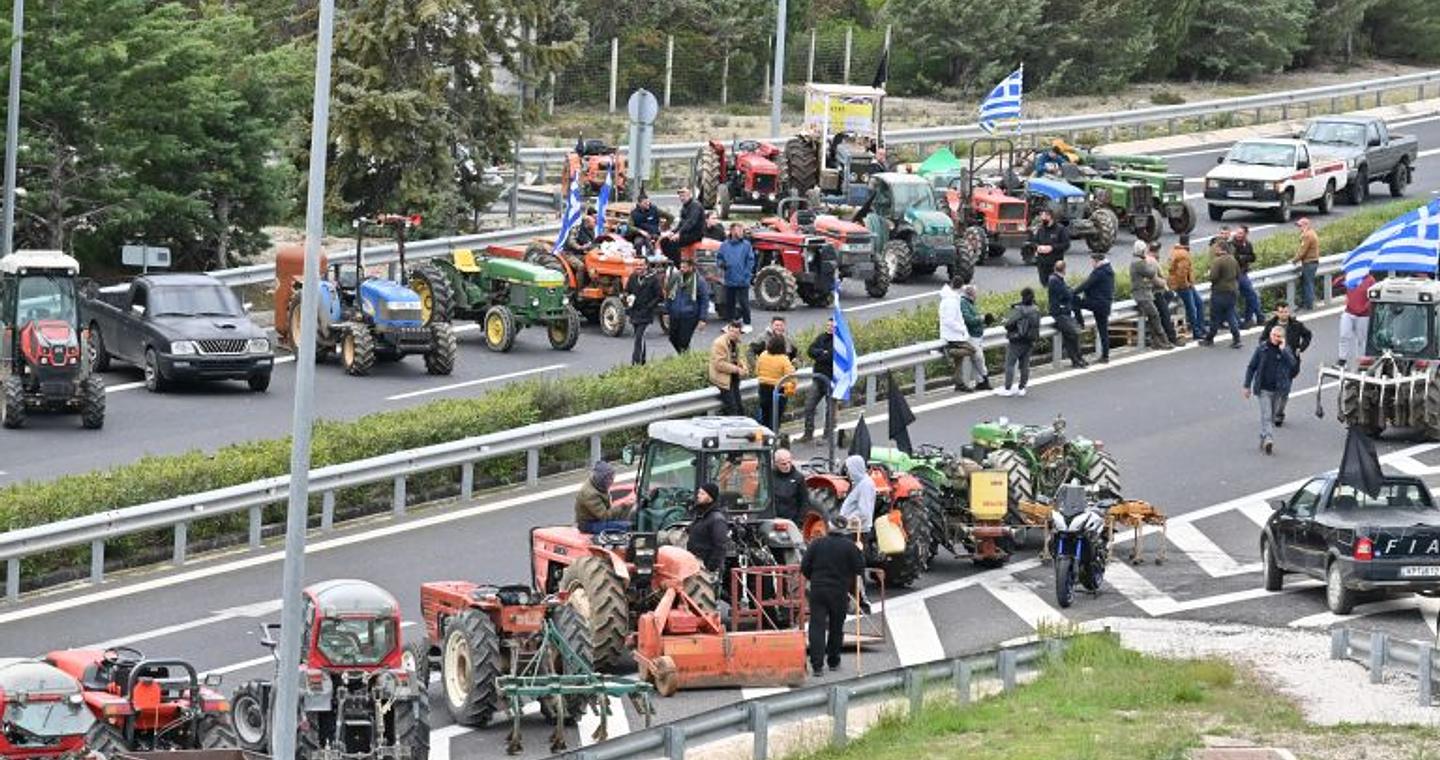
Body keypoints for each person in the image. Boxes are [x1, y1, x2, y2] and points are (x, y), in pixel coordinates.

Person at [800, 514, 866, 676]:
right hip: (839, 591)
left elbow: (805, 566)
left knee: (817, 626)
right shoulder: (850, 547)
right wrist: (858, 552)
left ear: (829, 527)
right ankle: (833, 661)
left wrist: (813, 578)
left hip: (818, 589)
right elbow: (859, 569)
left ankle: (817, 665)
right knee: (836, 626)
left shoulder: (816, 544)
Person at [1243, 326, 1297, 456]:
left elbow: (1293, 364)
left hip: (1277, 389)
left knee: (1271, 416)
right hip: (1263, 389)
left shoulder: (1285, 350)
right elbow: (1251, 367)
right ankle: (1268, 439)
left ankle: (1263, 435)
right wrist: (1247, 385)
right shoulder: (1262, 349)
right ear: (1270, 335)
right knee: (1266, 415)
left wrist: (1284, 350)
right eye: (1274, 335)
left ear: (1283, 338)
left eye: (1279, 336)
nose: (1275, 338)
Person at [1261, 303, 1312, 427]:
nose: (1284, 314)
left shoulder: (1296, 325)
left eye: (1286, 311)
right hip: (1273, 362)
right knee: (1273, 390)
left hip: (1290, 362)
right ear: (1277, 313)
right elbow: (1262, 339)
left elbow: (1308, 335)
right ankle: (1272, 411)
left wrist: (1301, 348)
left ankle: (1279, 414)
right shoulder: (1270, 325)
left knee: (1285, 390)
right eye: (1281, 312)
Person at [1129, 240, 1173, 351]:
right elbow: (1152, 272)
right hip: (1142, 295)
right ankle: (1163, 341)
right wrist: (1153, 261)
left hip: (1145, 294)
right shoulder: (1139, 263)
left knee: (1153, 316)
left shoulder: (1137, 261)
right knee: (1155, 316)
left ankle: (1157, 342)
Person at [999, 287, 1042, 397]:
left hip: (1017, 340)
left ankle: (1008, 388)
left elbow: (1008, 323)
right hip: (1029, 340)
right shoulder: (1036, 309)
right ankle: (1022, 388)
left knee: (1010, 364)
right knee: (1025, 365)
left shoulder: (1019, 310)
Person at [1073, 252, 1115, 363]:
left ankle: (1080, 322)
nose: (1091, 263)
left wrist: (1072, 292)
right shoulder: (1108, 269)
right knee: (1103, 331)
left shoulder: (1099, 272)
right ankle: (1105, 356)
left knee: (1075, 301)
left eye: (1092, 261)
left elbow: (1086, 284)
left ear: (1097, 261)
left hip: (1097, 303)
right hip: (1104, 305)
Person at [1202, 237, 1243, 349]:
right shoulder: (1233, 259)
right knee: (1230, 314)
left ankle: (1209, 338)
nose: (1214, 250)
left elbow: (1213, 277)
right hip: (1232, 291)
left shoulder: (1217, 261)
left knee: (1215, 316)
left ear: (1220, 248)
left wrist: (1208, 275)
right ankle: (1237, 338)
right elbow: (1239, 274)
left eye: (1216, 247)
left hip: (1219, 292)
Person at [665, 257, 710, 353]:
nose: (682, 269)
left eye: (685, 267)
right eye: (681, 267)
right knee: (672, 338)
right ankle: (685, 356)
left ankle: (685, 358)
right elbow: (668, 295)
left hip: (690, 315)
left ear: (691, 267)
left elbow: (704, 300)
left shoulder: (699, 281)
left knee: (684, 341)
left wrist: (703, 319)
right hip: (675, 314)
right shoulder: (675, 278)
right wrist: (666, 312)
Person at [1047, 260, 1087, 368]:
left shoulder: (1056, 279)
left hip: (1063, 313)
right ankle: (1077, 359)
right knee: (1074, 333)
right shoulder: (1055, 280)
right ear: (1064, 270)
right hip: (1059, 313)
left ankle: (1077, 359)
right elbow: (1067, 294)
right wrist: (1072, 291)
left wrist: (1070, 290)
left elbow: (1066, 291)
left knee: (1071, 336)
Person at [717, 223, 756, 330]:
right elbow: (719, 257)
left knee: (744, 302)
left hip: (743, 280)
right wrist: (721, 264)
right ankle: (731, 323)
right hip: (729, 279)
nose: (741, 233)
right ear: (732, 231)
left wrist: (747, 274)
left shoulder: (746, 245)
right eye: (739, 230)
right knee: (729, 303)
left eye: (742, 230)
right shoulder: (724, 245)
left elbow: (751, 261)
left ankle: (747, 324)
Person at [624, 260, 663, 365]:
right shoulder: (633, 277)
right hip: (635, 312)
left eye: (641, 265)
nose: (638, 267)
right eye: (636, 265)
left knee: (639, 337)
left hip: (646, 313)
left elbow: (659, 296)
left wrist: (649, 306)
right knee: (639, 337)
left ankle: (636, 362)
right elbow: (627, 290)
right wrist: (627, 297)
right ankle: (642, 361)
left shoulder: (653, 279)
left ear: (646, 266)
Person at [803, 319, 836, 442]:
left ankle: (828, 435)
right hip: (818, 378)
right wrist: (823, 352)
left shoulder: (839, 341)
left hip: (832, 380)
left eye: (832, 326)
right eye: (828, 325)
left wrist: (820, 354)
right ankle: (808, 433)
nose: (829, 328)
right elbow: (810, 350)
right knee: (808, 406)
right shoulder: (821, 337)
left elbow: (831, 357)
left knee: (830, 410)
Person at [1167, 234, 1206, 338]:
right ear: (1188, 242)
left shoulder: (1175, 251)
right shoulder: (1184, 254)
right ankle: (1197, 331)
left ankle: (1201, 328)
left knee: (1198, 304)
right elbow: (1182, 273)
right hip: (1183, 285)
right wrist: (1186, 285)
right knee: (1192, 308)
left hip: (1181, 284)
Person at [687, 483, 729, 575]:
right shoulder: (700, 516)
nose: (698, 496)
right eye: (698, 493)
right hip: (696, 565)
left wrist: (710, 568)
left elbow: (720, 546)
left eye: (702, 494)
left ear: (710, 497)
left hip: (706, 569)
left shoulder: (717, 519)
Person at [756, 335, 798, 429]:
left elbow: (757, 370)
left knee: (765, 415)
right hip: (778, 389)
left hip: (763, 388)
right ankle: (773, 438)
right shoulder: (783, 358)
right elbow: (791, 376)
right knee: (775, 417)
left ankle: (764, 438)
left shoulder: (763, 355)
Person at [709, 320, 749, 416]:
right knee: (733, 410)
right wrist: (737, 369)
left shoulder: (736, 342)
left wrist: (744, 367)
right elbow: (719, 364)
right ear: (727, 330)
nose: (733, 334)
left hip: (733, 379)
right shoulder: (719, 343)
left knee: (740, 409)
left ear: (740, 333)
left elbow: (739, 358)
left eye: (736, 332)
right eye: (731, 331)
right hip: (723, 381)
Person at [574, 461, 628, 532]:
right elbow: (604, 516)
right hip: (588, 524)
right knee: (627, 526)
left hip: (596, 518)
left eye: (612, 477)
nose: (612, 481)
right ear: (603, 479)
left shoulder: (598, 484)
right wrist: (623, 506)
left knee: (625, 518)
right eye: (610, 478)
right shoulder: (590, 494)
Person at [1338, 272, 1376, 368]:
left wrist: (1364, 308)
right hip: (1349, 312)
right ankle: (1342, 360)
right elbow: (1336, 284)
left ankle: (1362, 361)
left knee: (1361, 339)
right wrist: (1344, 277)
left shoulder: (1370, 280)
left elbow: (1372, 297)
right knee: (1344, 335)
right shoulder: (1351, 276)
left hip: (1363, 315)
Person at [661, 187, 705, 265]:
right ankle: (672, 262)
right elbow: (681, 223)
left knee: (673, 243)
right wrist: (672, 232)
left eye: (684, 196)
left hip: (695, 233)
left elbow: (691, 222)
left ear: (689, 195)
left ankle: (679, 265)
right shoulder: (684, 207)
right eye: (680, 196)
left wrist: (679, 233)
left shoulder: (695, 206)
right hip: (685, 233)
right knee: (664, 241)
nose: (682, 198)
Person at [1026, 208, 1070, 285]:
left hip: (1055, 263)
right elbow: (1034, 241)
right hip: (1042, 263)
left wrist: (1052, 247)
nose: (1042, 219)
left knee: (1055, 284)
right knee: (1044, 283)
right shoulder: (1040, 229)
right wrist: (1037, 247)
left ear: (1050, 217)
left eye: (1044, 217)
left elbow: (1066, 244)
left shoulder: (1060, 229)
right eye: (1041, 217)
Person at [1232, 225, 1263, 328]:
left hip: (1244, 273)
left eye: (1241, 233)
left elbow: (1253, 257)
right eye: (1237, 232)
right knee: (1250, 296)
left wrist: (1243, 258)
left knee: (1252, 297)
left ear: (1245, 234)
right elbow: (1235, 259)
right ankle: (1251, 319)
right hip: (1236, 275)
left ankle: (1250, 318)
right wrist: (1244, 258)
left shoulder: (1248, 243)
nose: (1238, 235)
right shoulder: (1232, 244)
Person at [771, 448, 810, 524]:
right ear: (776, 463)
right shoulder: (769, 477)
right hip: (773, 520)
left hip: (792, 520)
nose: (787, 466)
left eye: (789, 462)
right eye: (783, 464)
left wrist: (799, 521)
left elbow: (805, 501)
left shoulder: (798, 478)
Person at [838, 454, 875, 531]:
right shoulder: (860, 482)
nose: (847, 472)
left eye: (848, 469)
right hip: (854, 528)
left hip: (857, 530)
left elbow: (864, 513)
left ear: (855, 469)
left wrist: (846, 523)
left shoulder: (865, 485)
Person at [1293, 217, 1320, 311]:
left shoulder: (1307, 235)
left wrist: (1294, 260)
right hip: (1313, 262)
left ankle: (1308, 305)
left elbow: (1302, 251)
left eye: (1300, 226)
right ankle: (1308, 303)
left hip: (1309, 262)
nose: (1299, 228)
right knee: (1309, 283)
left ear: (1306, 225)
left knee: (1307, 284)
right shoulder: (1312, 233)